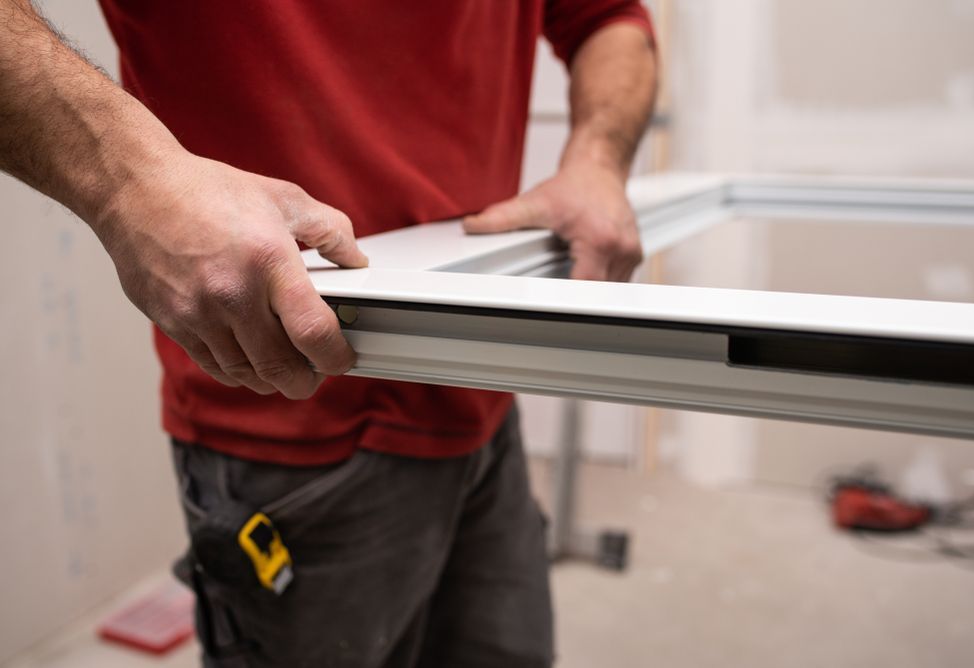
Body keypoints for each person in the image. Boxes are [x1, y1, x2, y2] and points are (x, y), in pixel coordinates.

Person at [0, 1, 657, 666]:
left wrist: (598, 160)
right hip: (288, 421)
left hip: (481, 397)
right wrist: (127, 182)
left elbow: (607, 17)